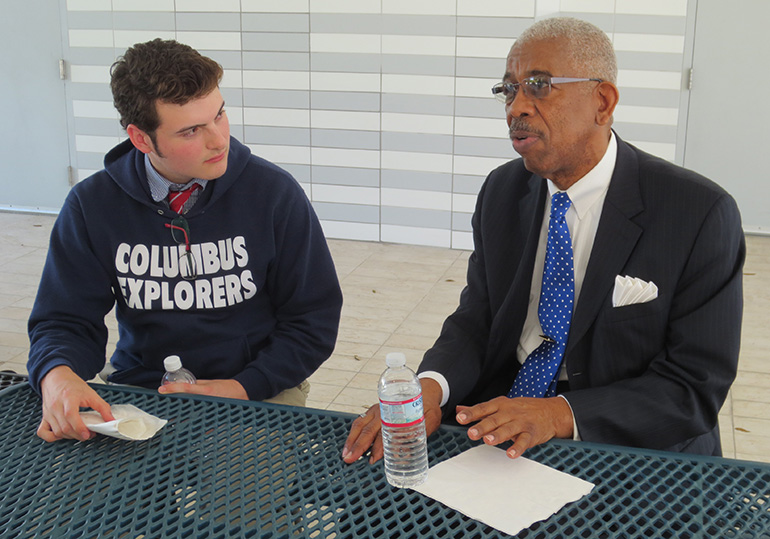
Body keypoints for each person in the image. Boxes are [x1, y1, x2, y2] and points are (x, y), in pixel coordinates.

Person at [343, 17, 744, 464]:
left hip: (630, 442)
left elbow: (693, 386)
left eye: (538, 86)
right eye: (508, 90)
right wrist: (427, 391)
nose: (516, 107)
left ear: (603, 101)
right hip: (503, 412)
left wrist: (557, 414)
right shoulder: (503, 191)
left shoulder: (697, 212)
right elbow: (478, 318)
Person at [27, 39, 343, 442]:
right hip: (141, 388)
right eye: (192, 130)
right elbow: (63, 319)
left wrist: (247, 385)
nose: (219, 140)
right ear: (142, 139)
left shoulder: (274, 194)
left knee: (244, 503)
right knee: (99, 503)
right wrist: (58, 374)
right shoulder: (91, 205)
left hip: (259, 388)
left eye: (219, 115)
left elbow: (312, 319)